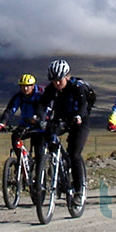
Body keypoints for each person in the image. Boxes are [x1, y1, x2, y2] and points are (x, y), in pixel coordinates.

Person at [37, 59, 92, 197]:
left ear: (66, 76)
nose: (56, 83)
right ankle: (53, 165)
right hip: (61, 120)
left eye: (59, 80)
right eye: (53, 80)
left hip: (80, 121)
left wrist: (79, 115)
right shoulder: (51, 89)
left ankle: (79, 189)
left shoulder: (77, 87)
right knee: (47, 135)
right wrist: (40, 118)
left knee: (74, 154)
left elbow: (83, 104)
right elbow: (43, 105)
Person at [0, 74, 45, 156]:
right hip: (25, 125)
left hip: (39, 126)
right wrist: (2, 123)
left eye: (27, 86)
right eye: (22, 86)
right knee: (15, 137)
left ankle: (39, 167)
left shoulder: (40, 96)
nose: (25, 89)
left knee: (39, 150)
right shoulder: (19, 97)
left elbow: (43, 110)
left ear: (33, 86)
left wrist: (38, 119)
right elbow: (10, 110)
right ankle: (22, 160)